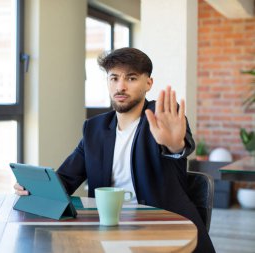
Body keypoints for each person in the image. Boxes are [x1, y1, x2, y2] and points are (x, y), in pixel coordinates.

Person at [14, 47, 215, 252]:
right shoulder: (94, 128)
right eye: (114, 78)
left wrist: (174, 145)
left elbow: (179, 148)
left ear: (148, 83)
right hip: (109, 231)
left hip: (165, 228)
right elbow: (65, 179)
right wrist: (34, 188)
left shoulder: (162, 118)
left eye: (131, 78)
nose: (121, 87)